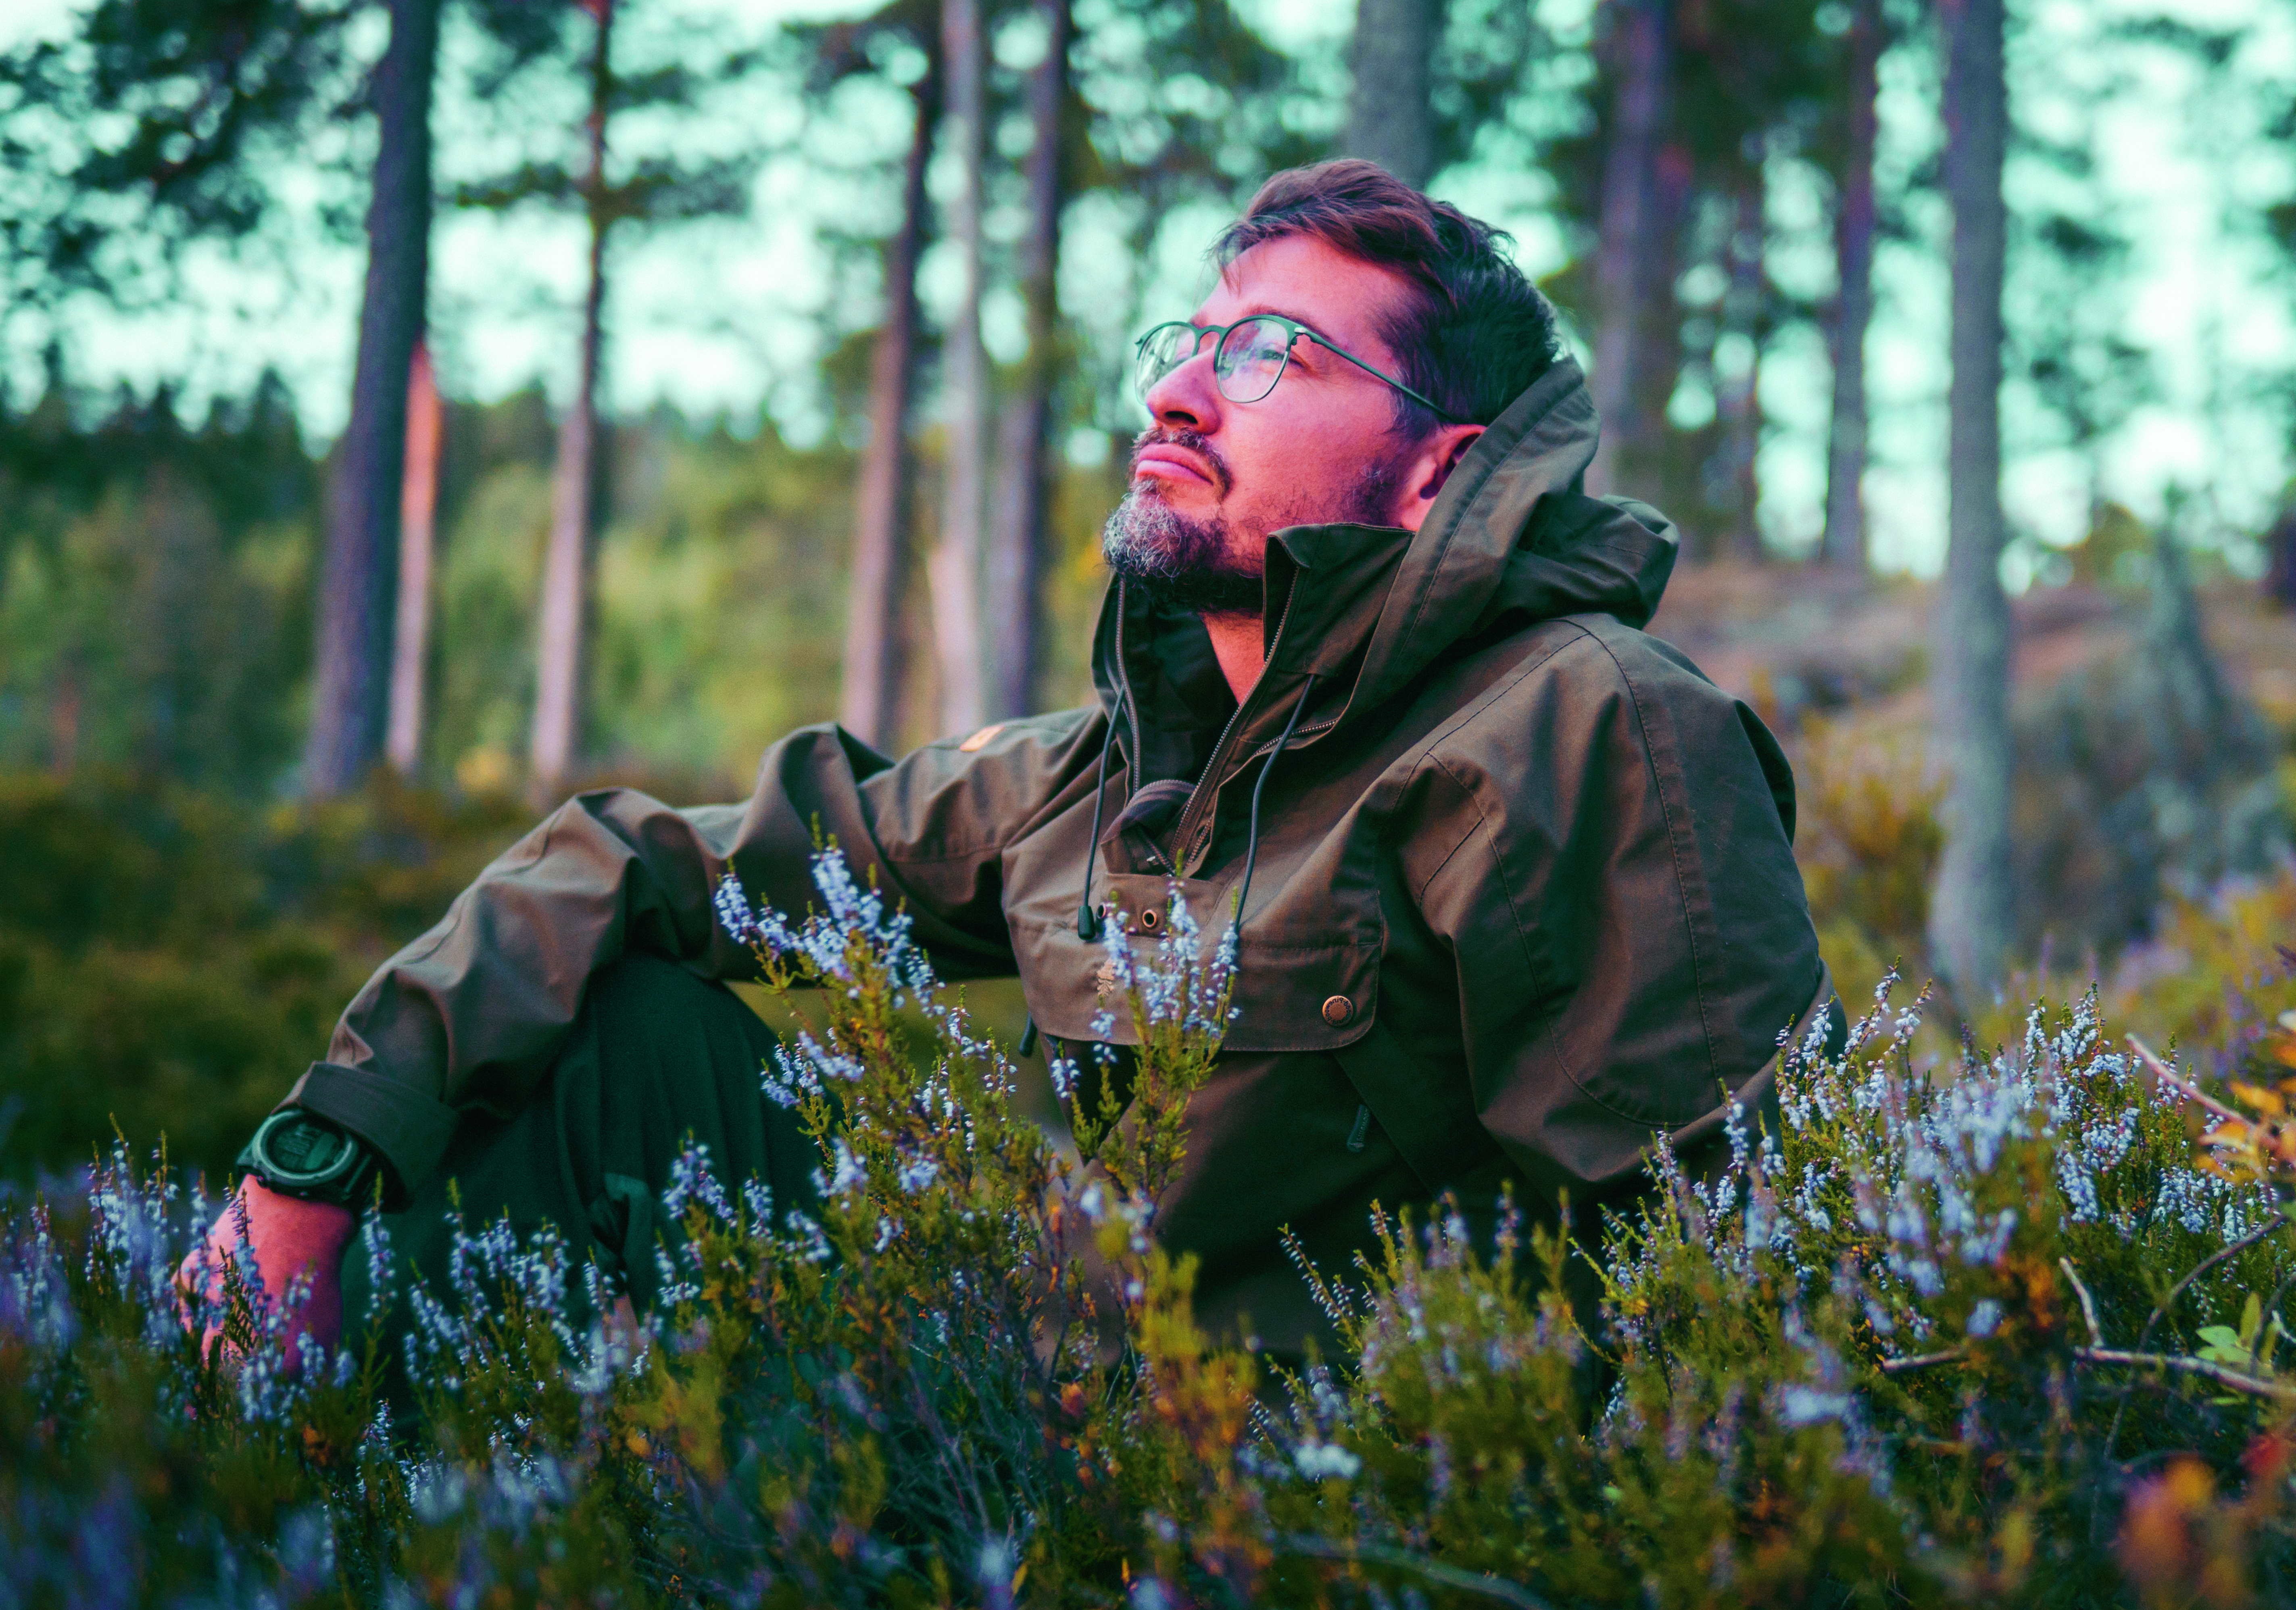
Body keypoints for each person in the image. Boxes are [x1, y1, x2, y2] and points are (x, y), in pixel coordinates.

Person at [184, 159, 1833, 1361]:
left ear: (1437, 470)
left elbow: (1723, 1277)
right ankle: (358, 1597)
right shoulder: (1116, 774)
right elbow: (650, 860)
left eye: (1274, 355)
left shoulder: (1586, 726)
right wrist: (324, 1149)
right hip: (995, 1459)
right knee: (616, 1031)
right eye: (1191, 340)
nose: (1184, 389)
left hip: (1299, 1565)